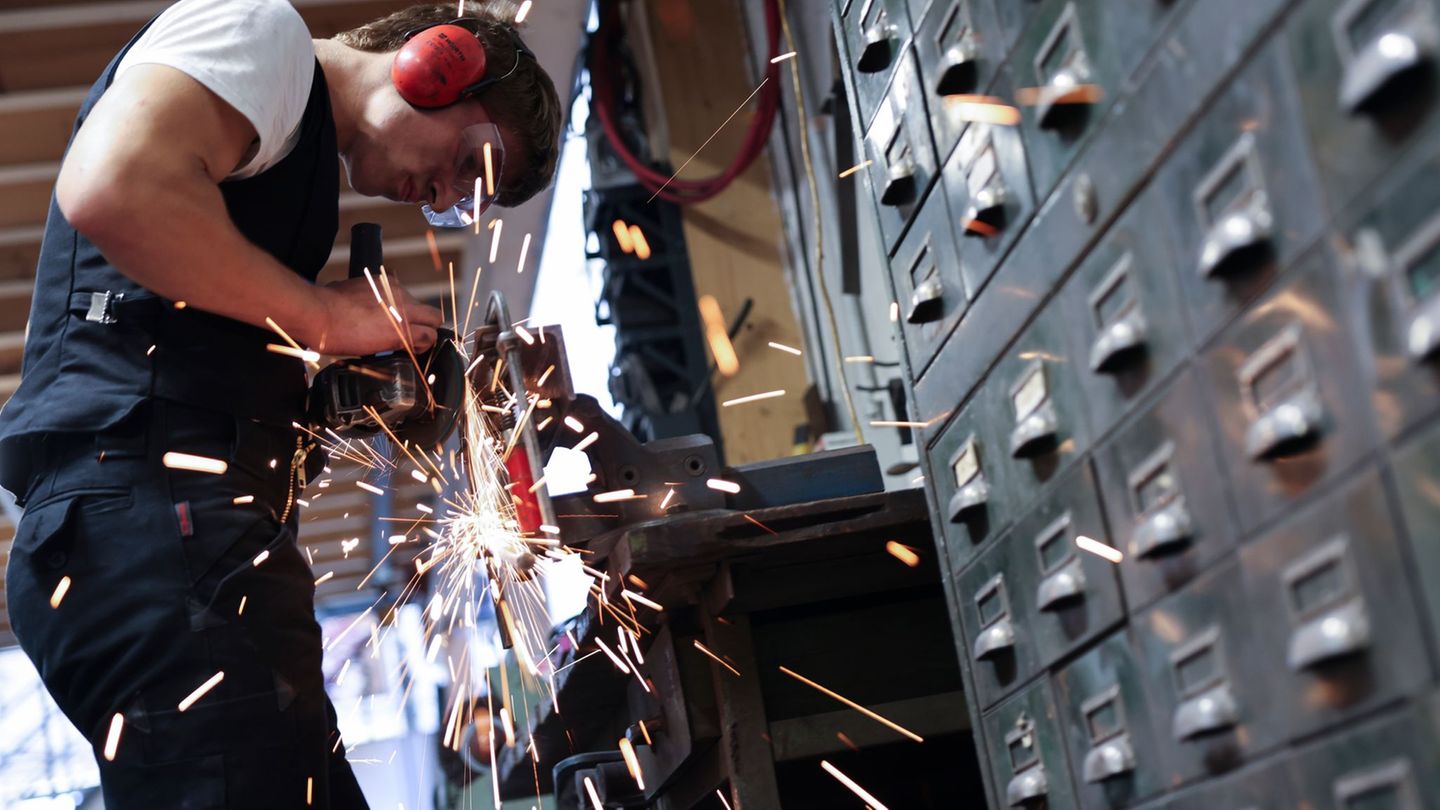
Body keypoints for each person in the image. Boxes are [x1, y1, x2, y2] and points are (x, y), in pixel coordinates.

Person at [0, 0, 562, 806]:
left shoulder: (283, 175)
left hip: (176, 545)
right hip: (149, 535)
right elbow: (111, 186)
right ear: (440, 60)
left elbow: (186, 333)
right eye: (467, 165)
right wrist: (323, 316)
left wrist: (326, 390)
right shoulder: (259, 35)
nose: (441, 193)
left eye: (456, 203)